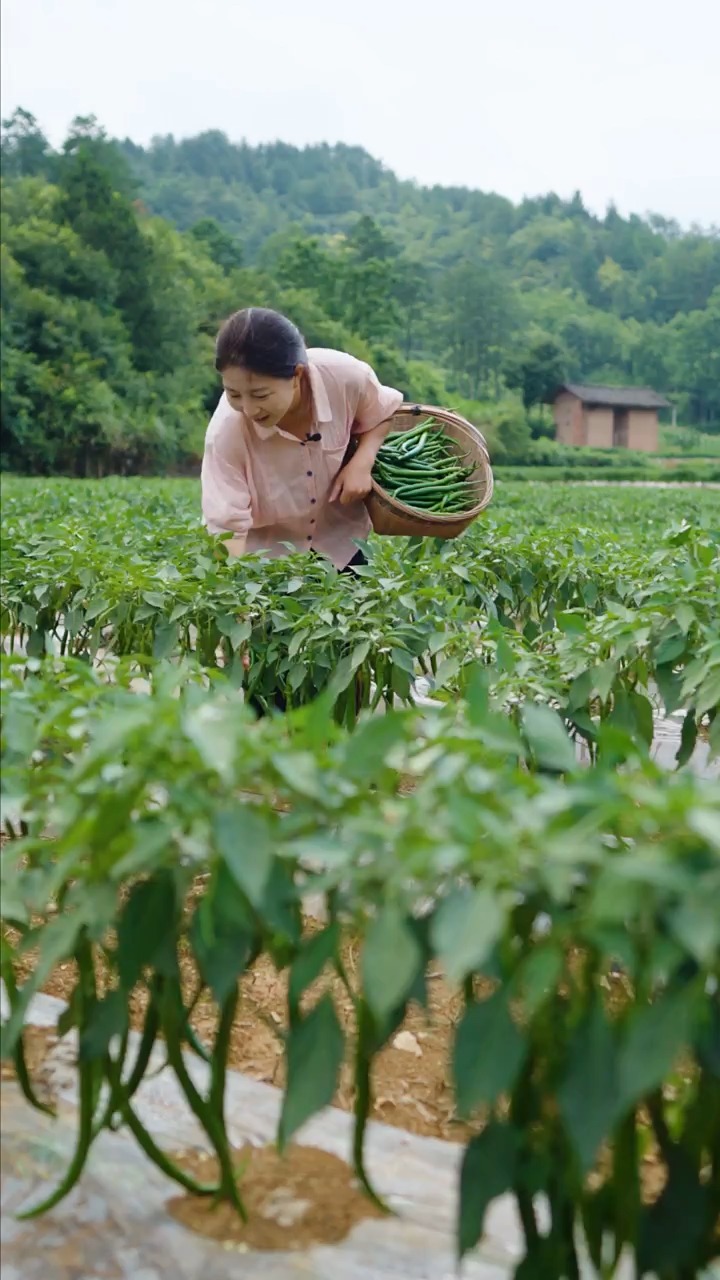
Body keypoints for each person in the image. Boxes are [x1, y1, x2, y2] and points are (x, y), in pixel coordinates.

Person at [201, 307, 404, 571]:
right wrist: (236, 595)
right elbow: (226, 528)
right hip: (268, 560)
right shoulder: (225, 433)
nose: (249, 409)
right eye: (234, 394)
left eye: (260, 395)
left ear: (296, 375)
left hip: (341, 545)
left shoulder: (345, 376)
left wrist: (362, 462)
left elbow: (381, 413)